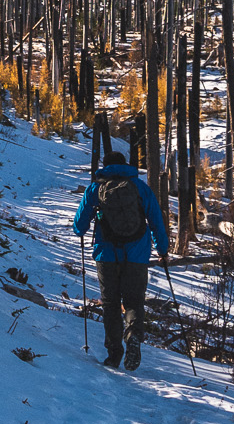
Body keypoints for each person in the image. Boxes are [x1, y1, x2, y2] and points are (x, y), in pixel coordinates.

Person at [72, 155, 169, 370]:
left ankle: (114, 353)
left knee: (111, 303)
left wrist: (83, 228)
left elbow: (79, 225)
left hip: (106, 254)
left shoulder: (95, 189)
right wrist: (163, 249)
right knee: (134, 301)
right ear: (125, 166)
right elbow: (155, 220)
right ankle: (133, 334)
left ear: (106, 167)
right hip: (137, 254)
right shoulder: (140, 187)